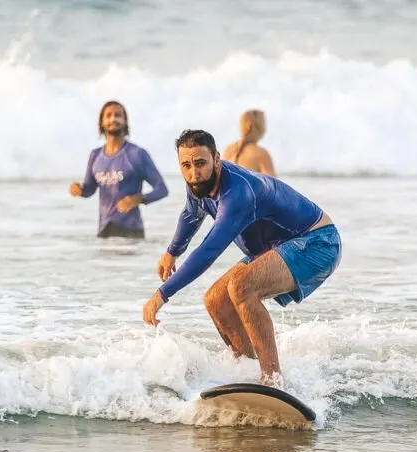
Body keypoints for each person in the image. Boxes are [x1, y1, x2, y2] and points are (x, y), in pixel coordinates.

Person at [142, 129, 341, 386]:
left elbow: (210, 249)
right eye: (186, 165)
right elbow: (191, 214)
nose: (193, 173)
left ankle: (272, 381)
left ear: (216, 159)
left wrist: (163, 293)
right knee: (216, 300)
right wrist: (172, 251)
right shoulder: (198, 184)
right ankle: (246, 373)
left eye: (200, 163)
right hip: (276, 247)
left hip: (318, 242)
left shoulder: (238, 193)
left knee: (241, 288)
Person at [69, 100, 168, 239]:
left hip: (131, 232)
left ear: (125, 121)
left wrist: (139, 199)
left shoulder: (137, 154)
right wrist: (79, 189)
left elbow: (162, 189)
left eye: (118, 115)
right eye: (108, 115)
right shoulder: (95, 155)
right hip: (104, 231)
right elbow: (89, 189)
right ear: (101, 122)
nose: (113, 119)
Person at [222, 109, 276, 177]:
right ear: (258, 126)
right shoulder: (261, 153)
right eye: (264, 123)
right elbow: (272, 182)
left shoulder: (229, 150)